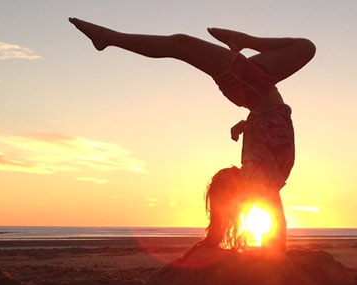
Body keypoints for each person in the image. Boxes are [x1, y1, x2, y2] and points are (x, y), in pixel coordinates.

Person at [70, 18, 315, 252]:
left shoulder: (258, 173)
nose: (228, 173)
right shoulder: (263, 180)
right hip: (259, 96)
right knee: (305, 48)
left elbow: (270, 141)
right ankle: (243, 40)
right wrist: (247, 125)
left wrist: (250, 125)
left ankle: (109, 38)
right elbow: (277, 222)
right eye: (226, 181)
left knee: (181, 45)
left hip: (254, 92)